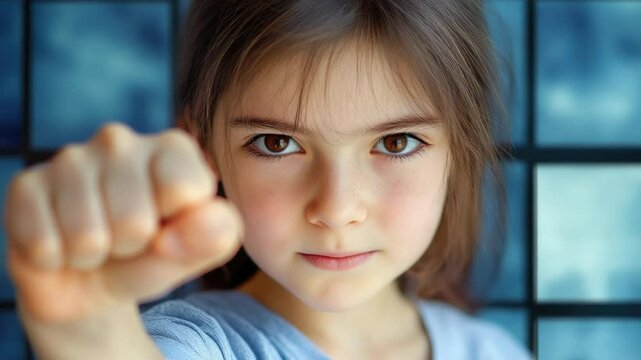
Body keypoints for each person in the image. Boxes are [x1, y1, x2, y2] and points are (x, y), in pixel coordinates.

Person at [4, 0, 533, 359]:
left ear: (459, 150)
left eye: (396, 143)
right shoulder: (202, 344)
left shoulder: (492, 351)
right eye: (277, 144)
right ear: (203, 148)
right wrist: (85, 329)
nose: (336, 208)